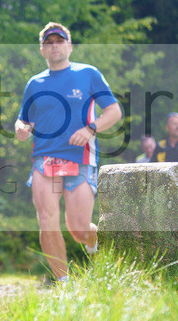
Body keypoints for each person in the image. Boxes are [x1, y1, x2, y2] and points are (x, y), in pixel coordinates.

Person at [15, 23, 123, 283]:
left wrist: (91, 129)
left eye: (60, 41)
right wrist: (20, 128)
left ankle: (94, 243)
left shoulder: (88, 74)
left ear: (69, 46)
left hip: (80, 158)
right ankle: (65, 285)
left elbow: (114, 112)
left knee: (78, 228)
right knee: (46, 219)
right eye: (49, 42)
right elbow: (23, 120)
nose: (55, 46)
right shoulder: (35, 83)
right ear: (42, 49)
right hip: (45, 159)